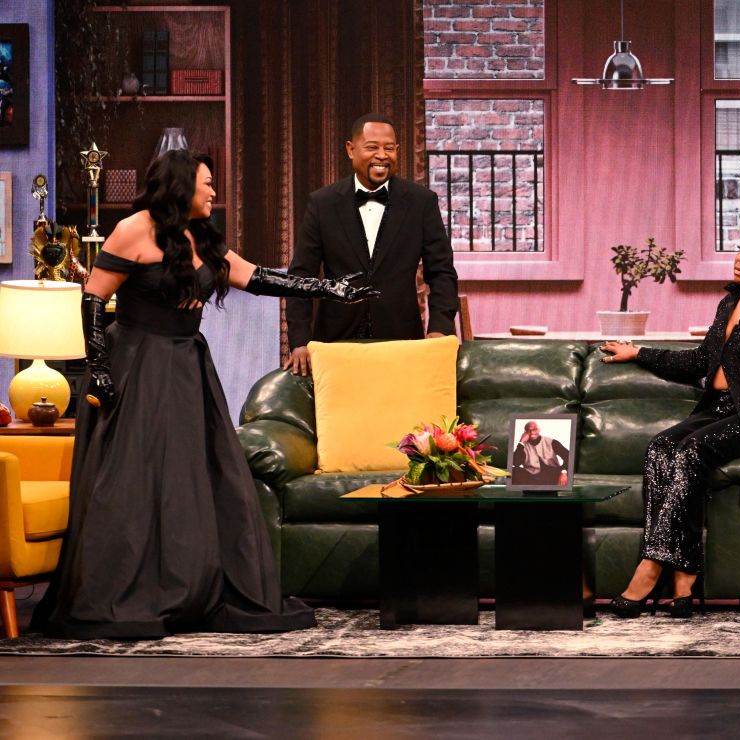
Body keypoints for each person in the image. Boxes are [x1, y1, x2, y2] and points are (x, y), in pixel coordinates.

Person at [32, 150, 377, 639]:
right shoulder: (133, 228)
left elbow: (260, 278)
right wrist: (100, 370)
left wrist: (330, 289)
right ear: (180, 186)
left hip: (186, 364)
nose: (215, 192)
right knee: (135, 478)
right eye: (207, 183)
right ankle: (130, 593)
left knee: (195, 476)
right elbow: (93, 299)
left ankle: (190, 587)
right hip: (137, 365)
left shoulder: (201, 238)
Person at [600, 212, 740, 619]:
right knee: (660, 447)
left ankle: (651, 568)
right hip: (716, 410)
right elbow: (701, 360)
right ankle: (684, 573)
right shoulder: (728, 303)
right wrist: (639, 353)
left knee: (691, 452)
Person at [284, 112, 460, 375]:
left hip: (402, 342)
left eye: (389, 148)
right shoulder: (322, 203)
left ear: (398, 151)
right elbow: (301, 276)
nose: (382, 155)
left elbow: (442, 271)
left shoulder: (421, 202)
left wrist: (439, 328)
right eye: (372, 147)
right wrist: (299, 341)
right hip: (336, 344)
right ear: (350, 150)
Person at [512, 421, 571, 486]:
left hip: (552, 475)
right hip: (532, 476)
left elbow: (569, 457)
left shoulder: (552, 442)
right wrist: (521, 442)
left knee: (566, 473)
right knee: (513, 471)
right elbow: (515, 463)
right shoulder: (522, 446)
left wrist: (564, 472)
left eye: (534, 430)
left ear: (539, 430)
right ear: (525, 432)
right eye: (528, 431)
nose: (531, 433)